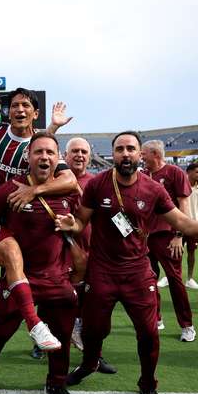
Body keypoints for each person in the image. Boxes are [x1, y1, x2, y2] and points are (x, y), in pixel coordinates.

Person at [55, 131, 198, 394]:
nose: (125, 153)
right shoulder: (97, 184)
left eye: (131, 148)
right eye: (119, 149)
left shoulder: (153, 189)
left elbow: (180, 221)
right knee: (94, 331)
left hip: (138, 272)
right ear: (113, 154)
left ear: (140, 153)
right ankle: (89, 364)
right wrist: (71, 224)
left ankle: (147, 384)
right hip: (102, 271)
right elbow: (81, 223)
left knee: (148, 332)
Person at [0, 133, 79, 394]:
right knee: (1, 331)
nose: (44, 157)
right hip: (18, 277)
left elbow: (81, 224)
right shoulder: (10, 189)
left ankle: (56, 384)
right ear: (28, 157)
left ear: (58, 159)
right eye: (38, 152)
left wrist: (74, 225)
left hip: (56, 277)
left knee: (61, 335)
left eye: (50, 153)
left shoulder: (69, 188)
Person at [0, 88, 77, 357]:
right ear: (7, 111)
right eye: (15, 105)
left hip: (31, 226)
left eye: (25, 106)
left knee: (52, 278)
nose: (19, 110)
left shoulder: (39, 147)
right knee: (8, 267)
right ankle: (32, 326)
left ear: (35, 113)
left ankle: (50, 329)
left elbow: (70, 180)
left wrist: (33, 191)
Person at [63, 137, 116, 374]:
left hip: (93, 253)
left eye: (84, 151)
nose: (80, 155)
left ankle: (95, 355)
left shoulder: (97, 182)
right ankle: (47, 346)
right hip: (61, 253)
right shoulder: (55, 179)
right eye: (74, 151)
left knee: (93, 309)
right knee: (58, 304)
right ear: (65, 155)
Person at [140, 140, 195, 342]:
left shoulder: (174, 173)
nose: (141, 157)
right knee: (148, 281)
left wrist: (180, 235)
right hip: (146, 238)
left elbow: (184, 205)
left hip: (168, 235)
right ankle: (156, 319)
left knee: (175, 280)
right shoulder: (143, 176)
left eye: (143, 153)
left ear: (155, 154)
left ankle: (187, 325)